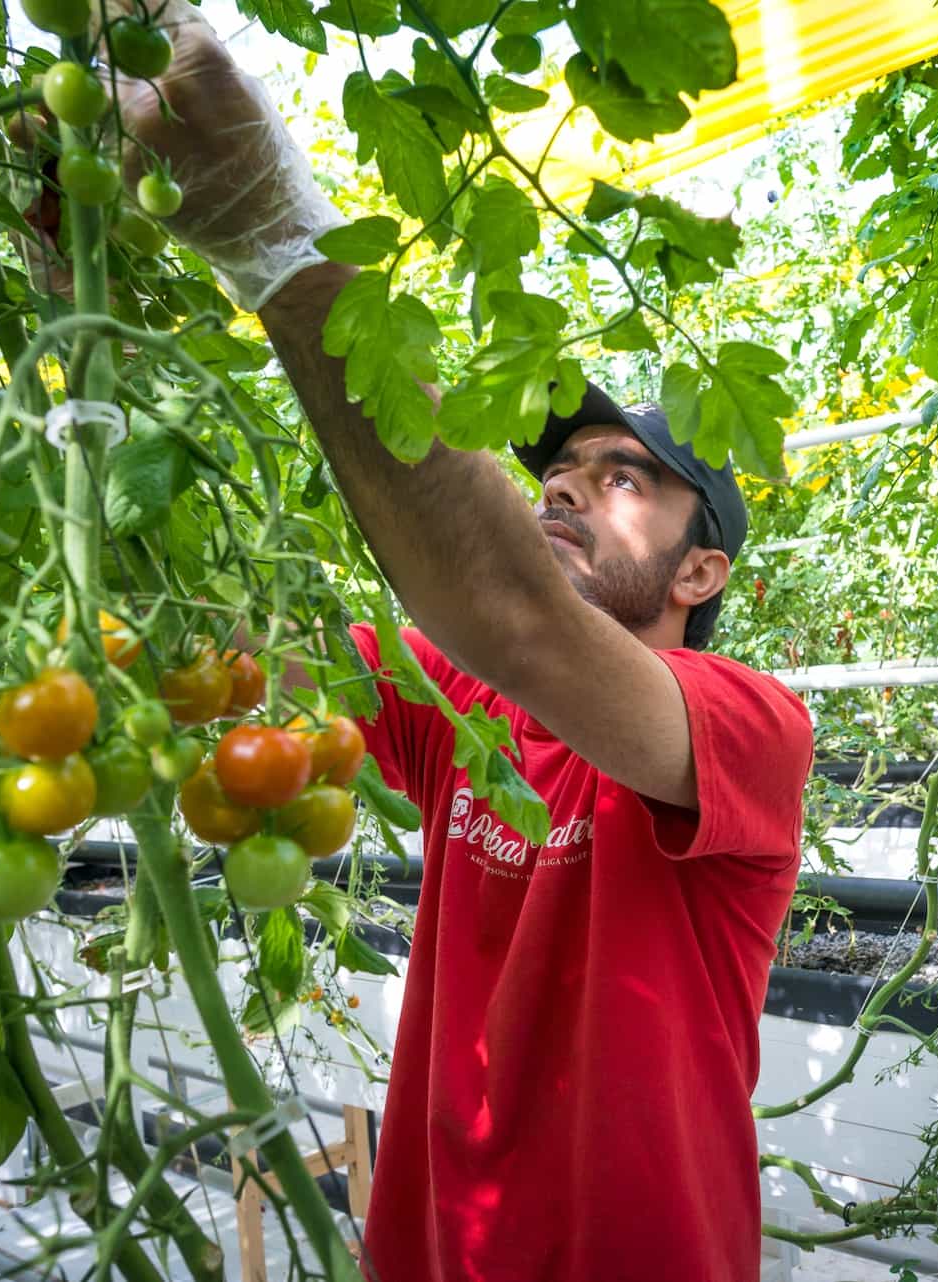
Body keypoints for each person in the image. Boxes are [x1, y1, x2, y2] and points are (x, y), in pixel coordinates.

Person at [103, 8, 814, 1279]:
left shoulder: (747, 726)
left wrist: (278, 238)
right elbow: (230, 651)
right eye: (552, 473)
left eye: (620, 478)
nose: (561, 489)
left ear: (702, 569)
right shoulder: (460, 701)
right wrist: (106, 345)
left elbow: (509, 615)